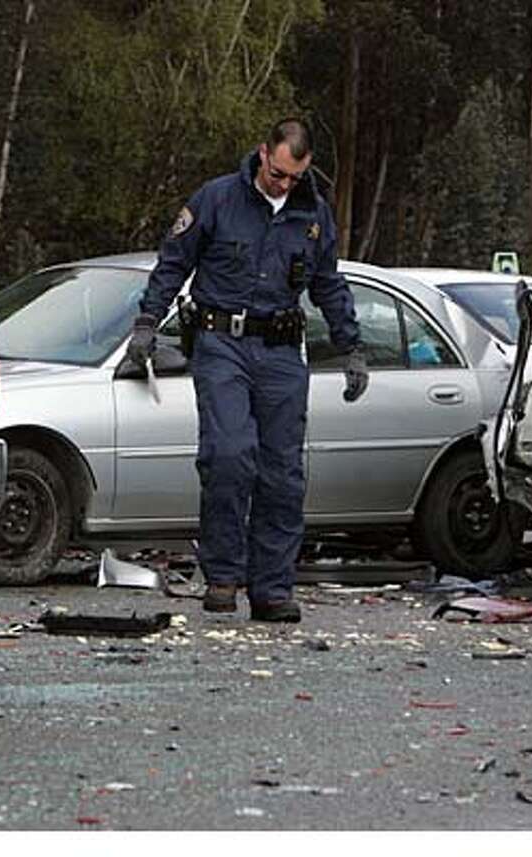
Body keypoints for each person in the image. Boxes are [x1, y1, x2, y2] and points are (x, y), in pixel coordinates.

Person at [127, 118, 367, 624]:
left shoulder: (313, 215)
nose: (283, 184)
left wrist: (351, 346)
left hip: (281, 351)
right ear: (263, 154)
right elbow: (173, 263)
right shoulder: (216, 199)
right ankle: (222, 577)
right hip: (221, 345)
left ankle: (272, 589)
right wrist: (148, 323)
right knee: (230, 455)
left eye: (294, 177)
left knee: (282, 474)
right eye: (277, 173)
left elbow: (328, 283)